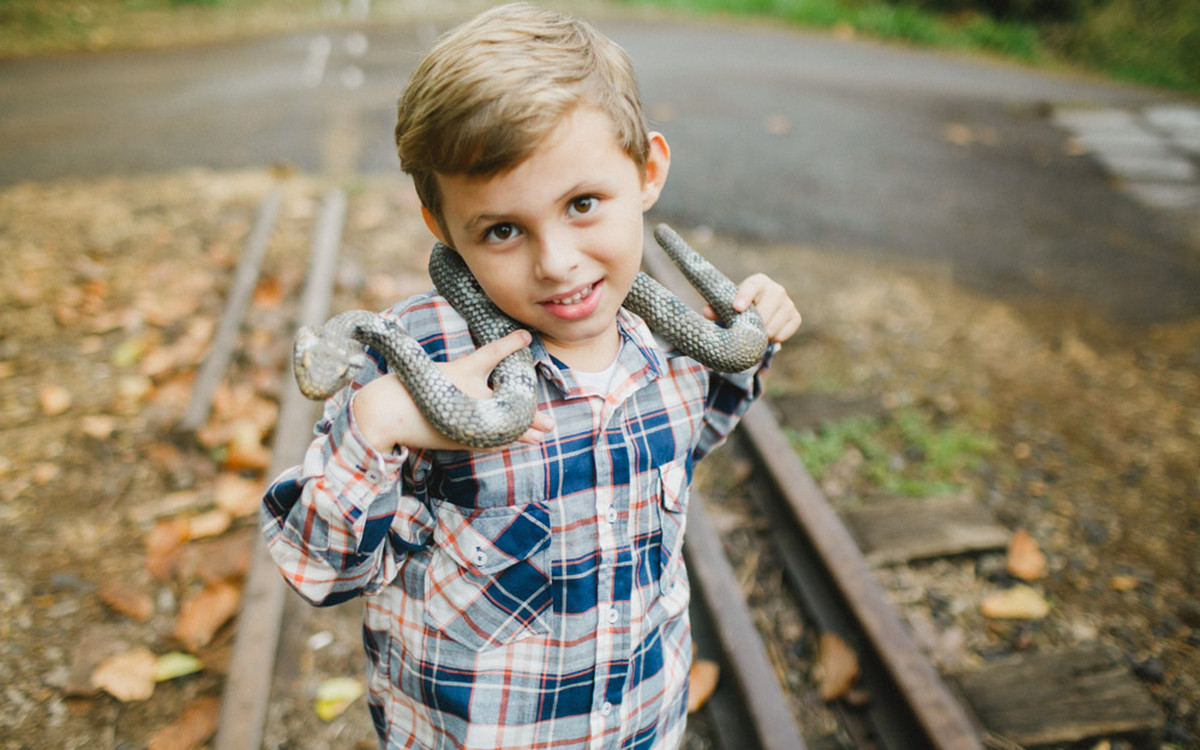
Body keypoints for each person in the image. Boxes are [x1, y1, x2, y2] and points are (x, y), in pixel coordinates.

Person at [261, 3, 802, 748]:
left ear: (648, 171)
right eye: (503, 230)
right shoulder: (416, 365)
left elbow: (694, 428)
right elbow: (320, 571)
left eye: (583, 204)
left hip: (639, 723)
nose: (556, 263)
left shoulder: (674, 348)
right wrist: (373, 427)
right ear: (443, 227)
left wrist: (751, 335)